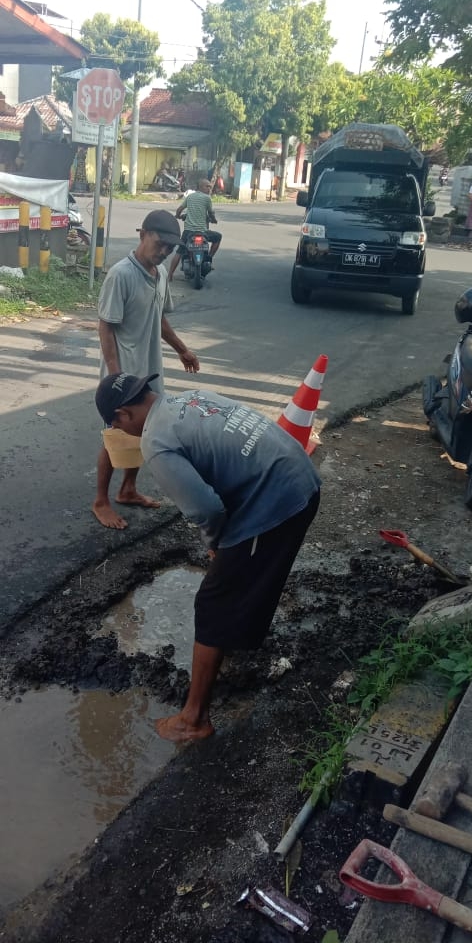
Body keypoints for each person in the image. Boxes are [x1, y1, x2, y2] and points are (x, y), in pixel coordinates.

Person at [95, 373, 321, 742]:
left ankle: (194, 718)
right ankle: (235, 643)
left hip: (279, 499)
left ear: (122, 416)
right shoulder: (189, 398)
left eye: (114, 425)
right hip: (298, 475)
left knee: (214, 601)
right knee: (245, 575)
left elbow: (205, 509)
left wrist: (216, 541)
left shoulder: (157, 442)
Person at [92, 210, 200, 530]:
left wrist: (182, 350)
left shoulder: (160, 273)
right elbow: (106, 326)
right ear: (143, 234)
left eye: (170, 246)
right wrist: (115, 376)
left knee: (143, 430)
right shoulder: (121, 274)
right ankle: (100, 500)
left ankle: (128, 489)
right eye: (160, 242)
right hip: (123, 373)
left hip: (148, 370)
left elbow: (159, 318)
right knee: (115, 436)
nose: (164, 250)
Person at [168, 179, 222, 281]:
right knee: (218, 237)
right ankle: (209, 258)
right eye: (207, 186)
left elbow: (179, 210)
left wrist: (178, 216)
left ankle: (170, 274)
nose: (209, 189)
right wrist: (213, 219)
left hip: (188, 232)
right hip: (203, 232)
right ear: (201, 187)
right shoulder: (207, 198)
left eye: (210, 187)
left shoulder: (190, 197)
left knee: (179, 252)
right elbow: (211, 213)